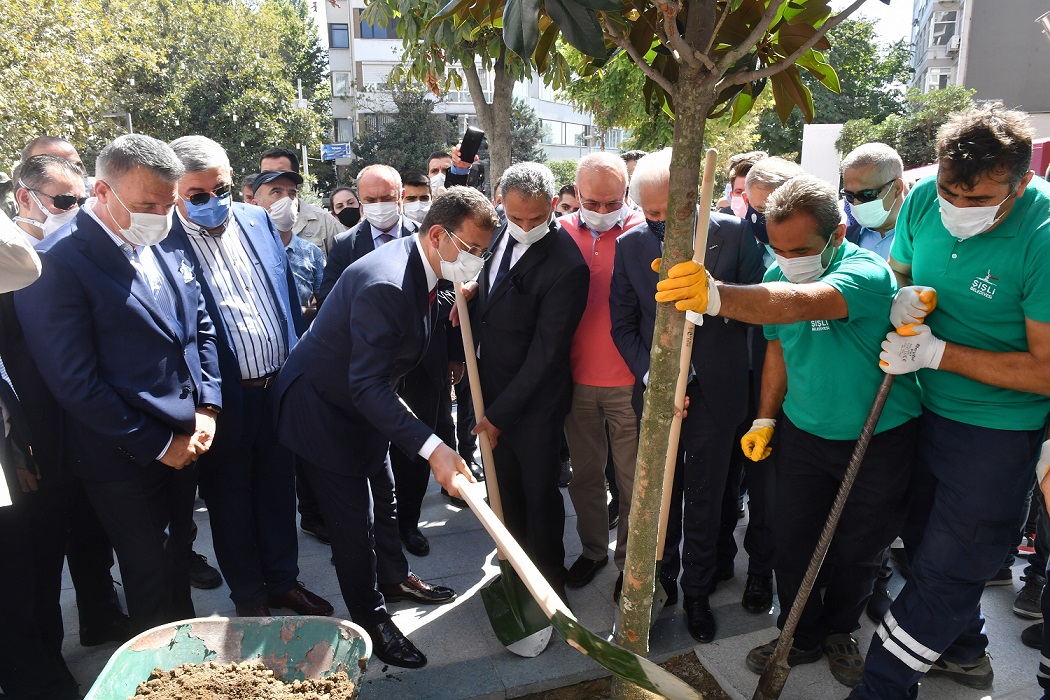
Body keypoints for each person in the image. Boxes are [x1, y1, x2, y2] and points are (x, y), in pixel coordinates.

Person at [659, 173, 922, 686]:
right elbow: (778, 344)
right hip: (805, 433)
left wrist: (715, 297)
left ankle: (840, 630)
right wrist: (765, 417)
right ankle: (798, 634)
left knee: (858, 547)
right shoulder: (776, 269)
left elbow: (800, 303)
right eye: (777, 248)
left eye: (800, 249)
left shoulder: (864, 272)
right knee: (794, 539)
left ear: (838, 235)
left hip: (877, 435)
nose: (787, 260)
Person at [848, 105, 1050, 698]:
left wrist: (940, 354)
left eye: (980, 199)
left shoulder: (1043, 234)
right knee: (919, 545)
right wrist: (899, 297)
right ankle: (963, 651)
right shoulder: (920, 202)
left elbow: (1046, 371)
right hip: (919, 407)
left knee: (949, 569)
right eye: (949, 193)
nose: (959, 210)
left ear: (1019, 184)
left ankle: (881, 687)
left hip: (998, 429)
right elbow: (898, 270)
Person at [273, 186, 493, 669]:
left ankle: (393, 577)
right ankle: (372, 621)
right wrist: (434, 447)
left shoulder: (428, 260)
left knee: (386, 498)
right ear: (439, 234)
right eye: (472, 251)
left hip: (365, 400)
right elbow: (366, 382)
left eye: (483, 253)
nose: (476, 261)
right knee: (354, 523)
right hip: (324, 410)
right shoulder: (385, 284)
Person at [14, 134, 223, 634]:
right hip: (122, 454)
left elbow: (200, 327)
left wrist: (207, 407)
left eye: (167, 203)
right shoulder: (56, 265)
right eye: (146, 204)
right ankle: (157, 675)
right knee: (147, 571)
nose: (160, 215)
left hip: (188, 437)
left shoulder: (164, 238)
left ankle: (189, 656)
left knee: (178, 558)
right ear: (101, 192)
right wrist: (157, 444)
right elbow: (74, 382)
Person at [166, 136, 332, 619]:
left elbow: (285, 300)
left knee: (279, 491)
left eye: (220, 189)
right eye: (197, 196)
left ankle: (284, 581)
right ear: (175, 193)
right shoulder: (164, 243)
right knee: (230, 501)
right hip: (222, 399)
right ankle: (250, 598)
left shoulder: (258, 220)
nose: (211, 202)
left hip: (278, 386)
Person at [610, 147, 764, 643]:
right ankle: (662, 579)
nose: (659, 223)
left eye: (667, 212)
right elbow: (624, 323)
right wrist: (657, 378)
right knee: (659, 497)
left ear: (692, 198)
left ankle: (698, 591)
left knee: (707, 497)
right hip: (659, 395)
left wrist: (716, 301)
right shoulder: (632, 244)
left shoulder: (733, 233)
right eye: (650, 213)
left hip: (717, 394)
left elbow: (754, 306)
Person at [468, 161, 589, 602]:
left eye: (536, 218)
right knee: (505, 492)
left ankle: (549, 585)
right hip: (491, 387)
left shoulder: (567, 264)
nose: (524, 226)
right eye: (515, 217)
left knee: (539, 496)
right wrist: (471, 291)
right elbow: (494, 284)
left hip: (534, 403)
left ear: (553, 206)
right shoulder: (499, 234)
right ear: (501, 204)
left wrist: (499, 415)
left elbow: (546, 353)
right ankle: (515, 571)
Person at [559, 153, 644, 594]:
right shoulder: (558, 234)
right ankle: (593, 551)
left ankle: (630, 566)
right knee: (586, 476)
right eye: (592, 202)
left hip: (629, 382)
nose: (603, 212)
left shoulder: (645, 234)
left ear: (627, 195)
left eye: (613, 203)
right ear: (576, 196)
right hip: (576, 382)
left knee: (632, 482)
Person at [318, 164, 418, 304]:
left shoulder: (424, 236)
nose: (379, 205)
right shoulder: (344, 245)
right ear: (360, 200)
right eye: (370, 200)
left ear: (402, 196)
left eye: (386, 198)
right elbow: (327, 301)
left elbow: (448, 292)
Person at [258, 147, 343, 255]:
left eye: (281, 174)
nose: (274, 179)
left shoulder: (325, 223)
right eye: (266, 175)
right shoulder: (250, 225)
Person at [841, 143, 906, 260]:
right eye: (849, 196)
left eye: (867, 195)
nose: (856, 203)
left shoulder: (922, 239)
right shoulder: (842, 241)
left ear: (897, 188)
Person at [11, 155, 86, 243]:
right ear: (25, 199)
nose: (77, 210)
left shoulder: (84, 247)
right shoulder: (6, 252)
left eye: (82, 202)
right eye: (65, 201)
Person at [719, 150, 768, 218]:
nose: (744, 197)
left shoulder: (779, 225)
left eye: (749, 192)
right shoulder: (723, 220)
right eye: (738, 191)